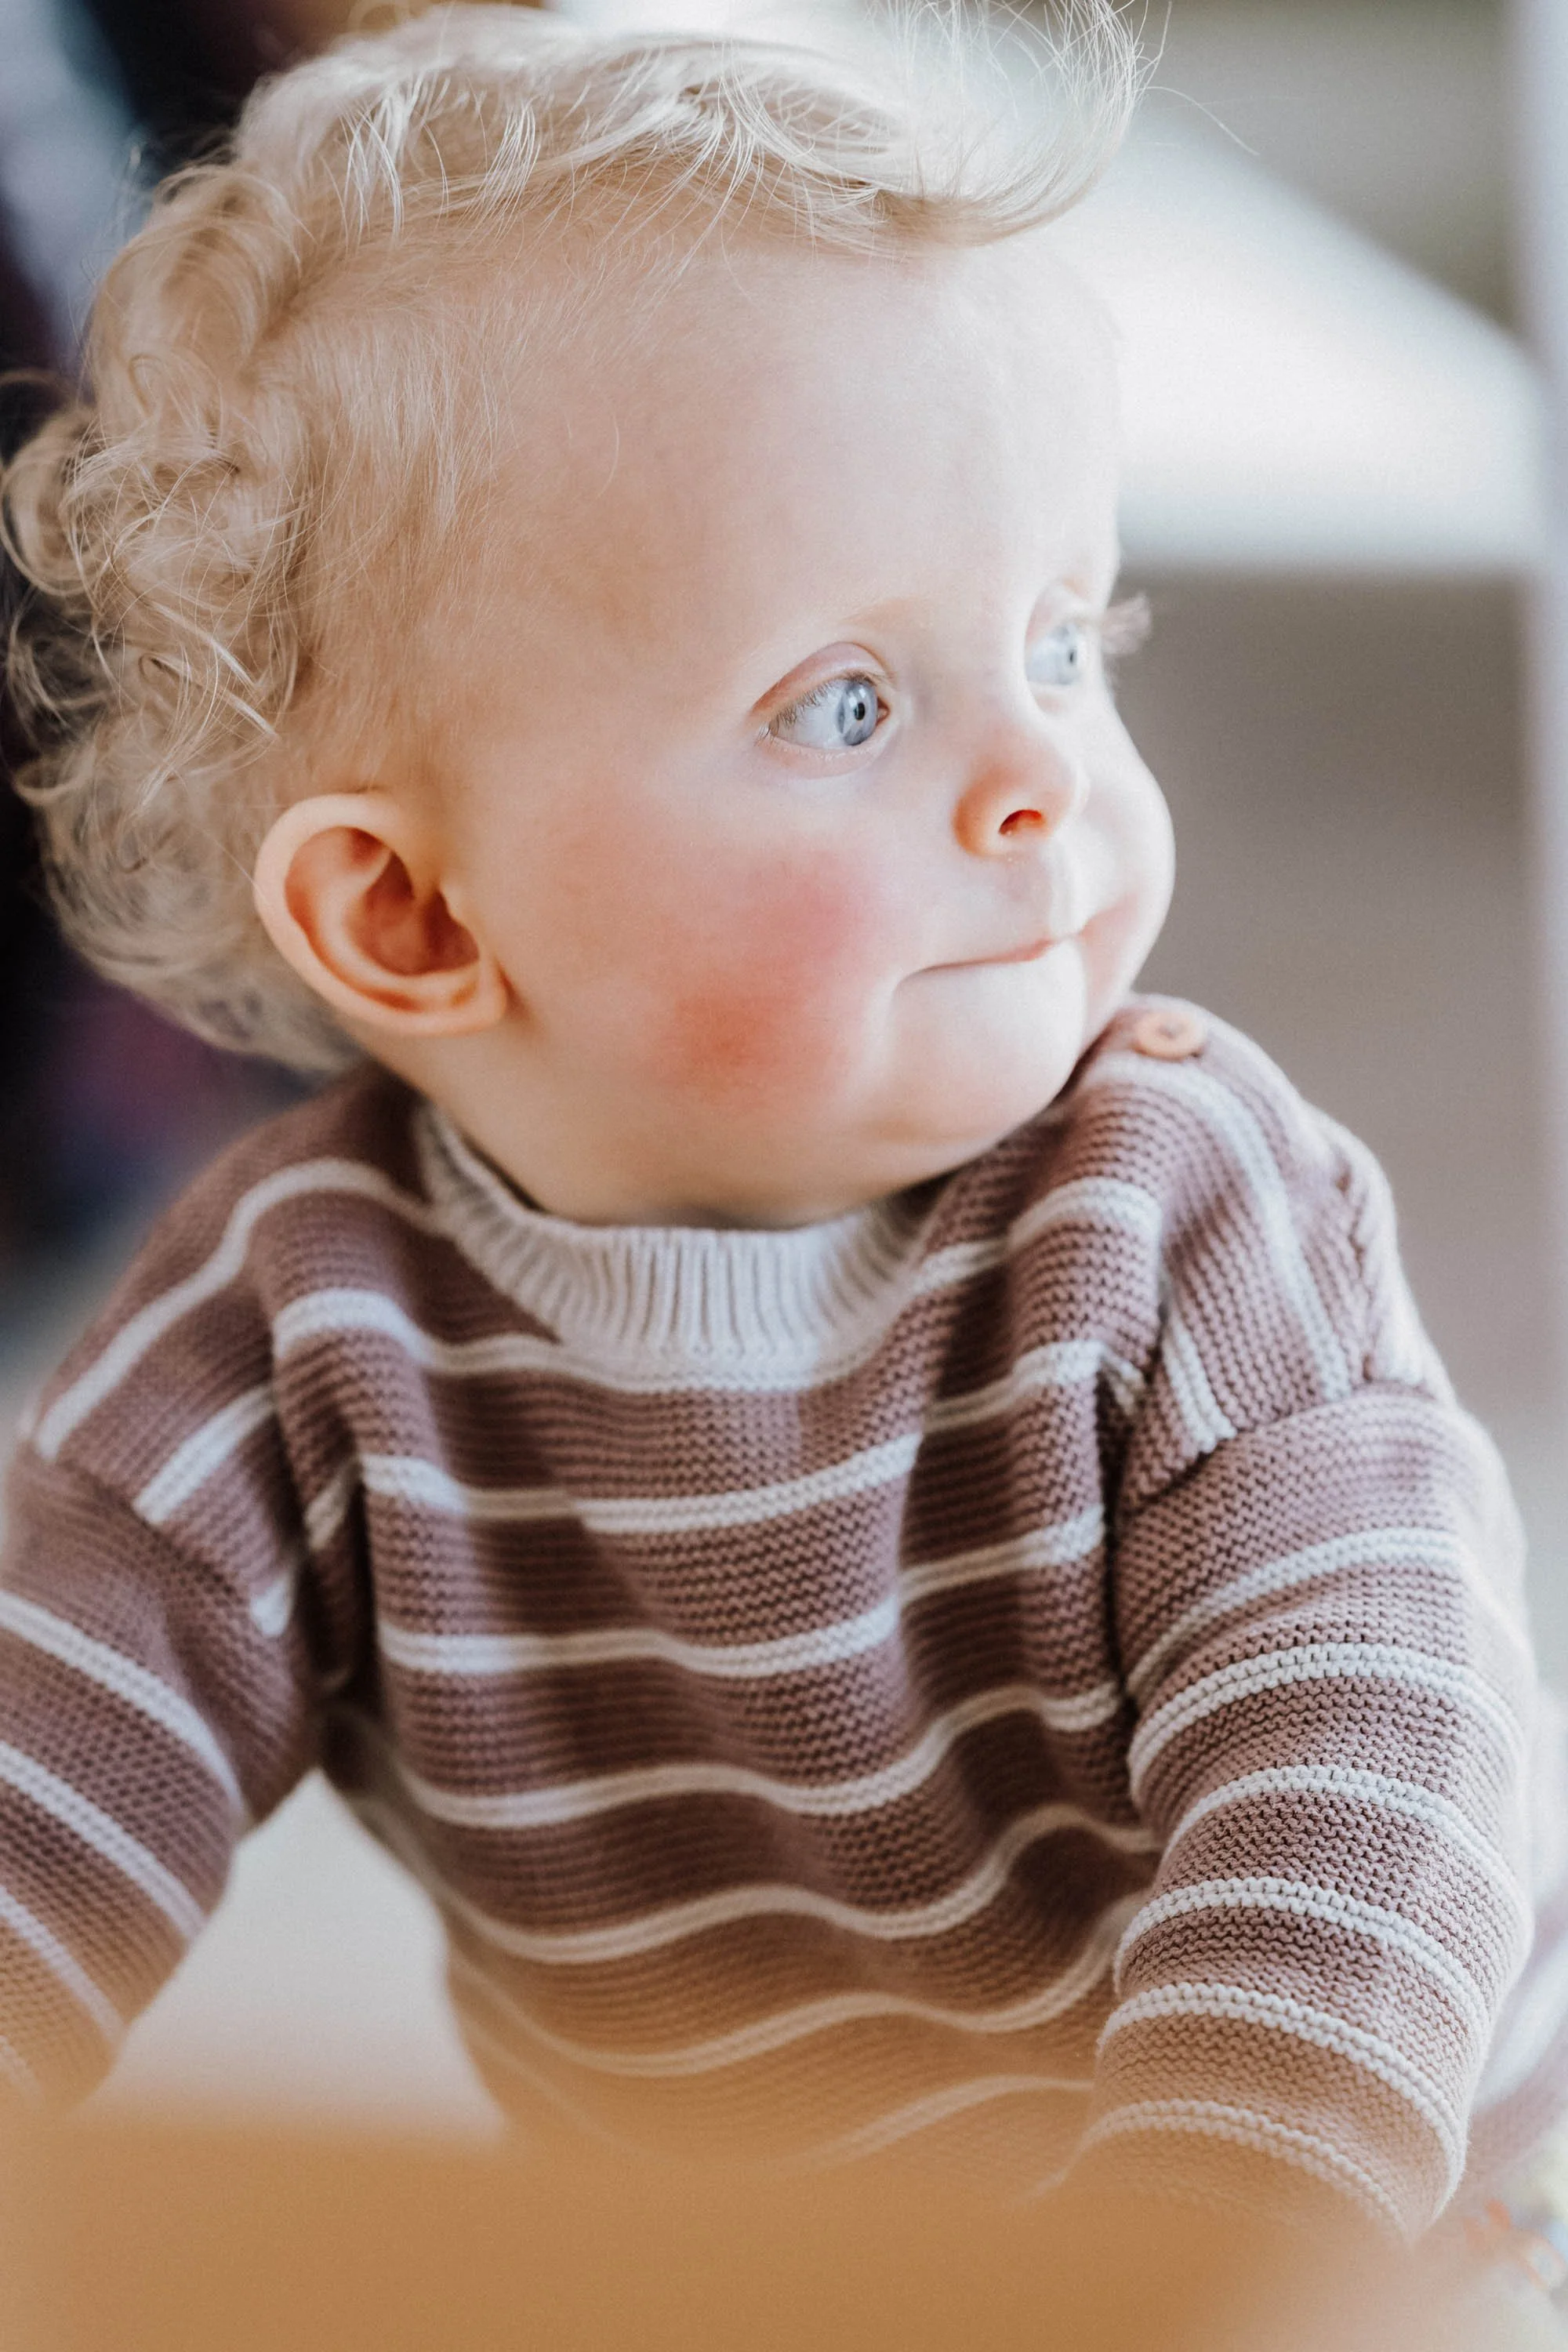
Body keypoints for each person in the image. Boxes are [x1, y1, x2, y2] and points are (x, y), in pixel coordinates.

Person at [2, 0, 1564, 2292]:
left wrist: (1198, 2258)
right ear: (414, 916)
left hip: (1393, 2209)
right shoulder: (288, 1337)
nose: (1042, 775)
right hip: (756, 2262)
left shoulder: (1188, 1210)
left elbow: (1372, 1797)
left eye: (1066, 634)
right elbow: (44, 1789)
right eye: (848, 701)